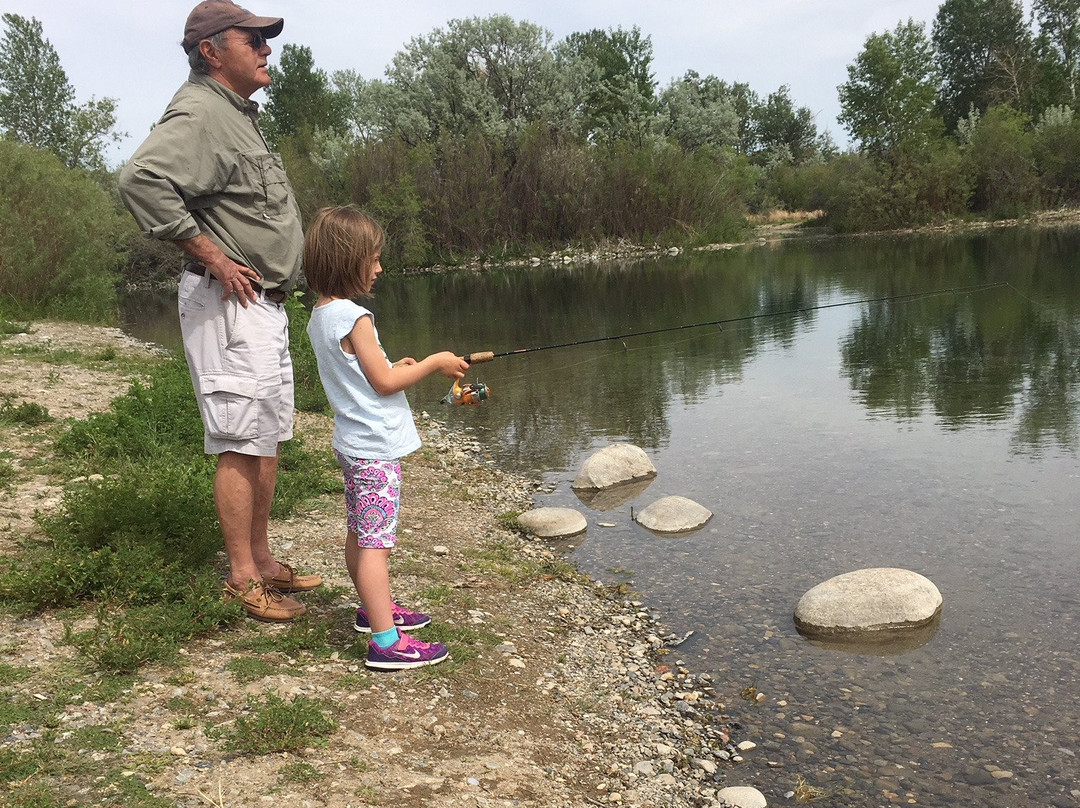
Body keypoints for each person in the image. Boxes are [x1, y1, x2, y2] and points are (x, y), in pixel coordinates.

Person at [118, 0, 322, 622]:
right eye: (252, 39)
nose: (266, 49)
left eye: (266, 39)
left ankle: (260, 560)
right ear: (211, 50)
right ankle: (240, 577)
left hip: (260, 305)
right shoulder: (201, 110)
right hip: (230, 303)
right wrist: (213, 256)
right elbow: (140, 179)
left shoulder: (236, 115)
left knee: (266, 436)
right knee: (239, 439)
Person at [303, 206, 470, 670]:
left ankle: (374, 611)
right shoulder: (356, 317)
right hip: (375, 449)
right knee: (376, 543)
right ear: (347, 259)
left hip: (352, 443)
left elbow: (363, 375)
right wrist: (434, 362)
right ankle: (385, 642)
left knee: (360, 532)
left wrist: (398, 367)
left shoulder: (320, 316)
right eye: (373, 258)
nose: (379, 268)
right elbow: (383, 384)